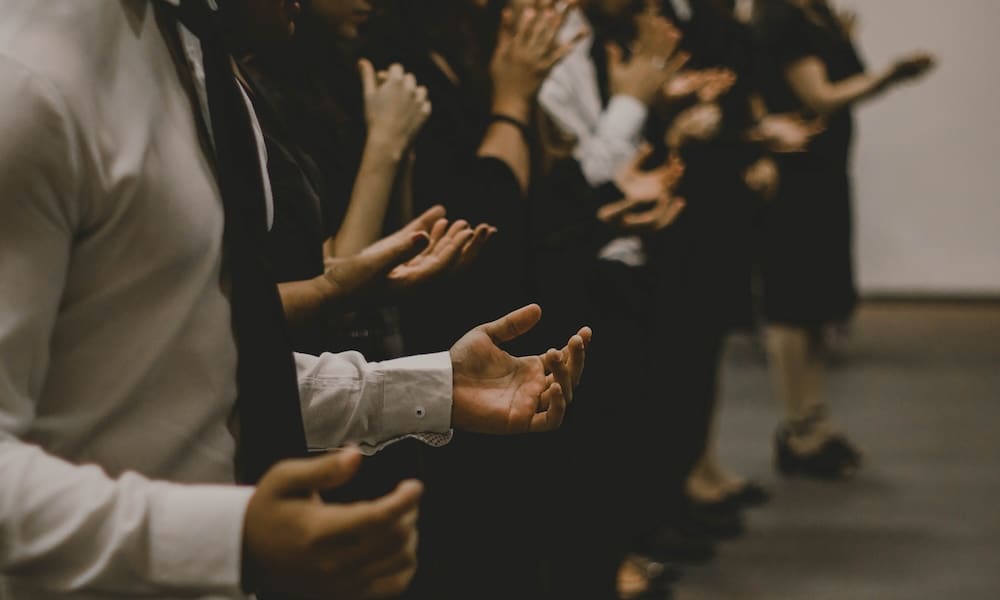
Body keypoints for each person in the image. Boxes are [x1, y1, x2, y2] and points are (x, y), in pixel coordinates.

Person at [0, 1, 590, 597]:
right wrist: (225, 538)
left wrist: (432, 387)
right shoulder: (30, 74)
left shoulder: (193, 62)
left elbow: (193, 377)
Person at [751, 0, 934, 478]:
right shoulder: (783, 19)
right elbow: (820, 96)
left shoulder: (819, 15)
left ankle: (815, 421)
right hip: (796, 176)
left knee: (815, 309)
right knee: (792, 308)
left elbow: (844, 81)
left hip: (825, 173)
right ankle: (797, 428)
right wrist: (892, 75)